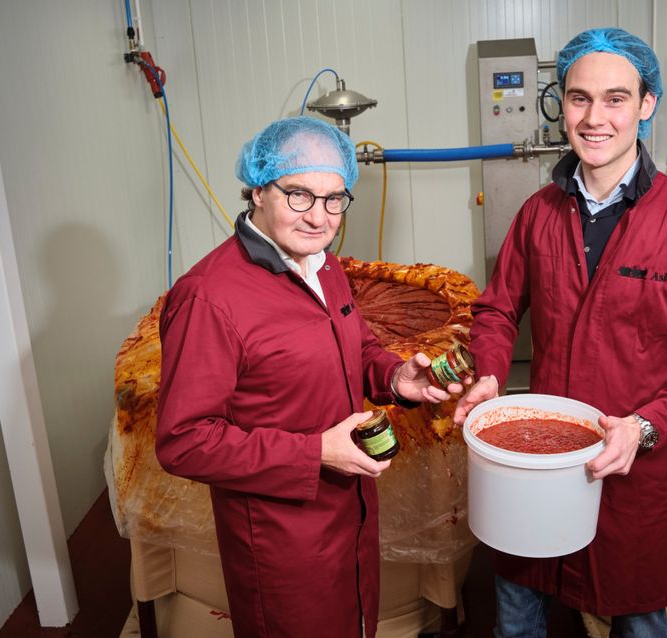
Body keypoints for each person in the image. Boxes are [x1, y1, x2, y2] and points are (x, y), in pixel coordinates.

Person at [453, 28, 667, 637]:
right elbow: (496, 310)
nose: (595, 119)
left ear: (647, 104)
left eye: (615, 99)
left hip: (629, 469)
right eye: (579, 98)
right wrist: (488, 374)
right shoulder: (538, 213)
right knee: (518, 608)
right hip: (536, 462)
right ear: (560, 104)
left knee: (637, 618)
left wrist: (645, 427)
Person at [156, 116, 462, 637]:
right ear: (257, 189)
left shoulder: (321, 264)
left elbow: (354, 346)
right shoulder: (209, 298)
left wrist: (394, 378)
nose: (319, 217)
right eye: (299, 195)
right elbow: (183, 441)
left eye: (334, 199)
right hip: (280, 537)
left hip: (350, 510)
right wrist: (315, 453)